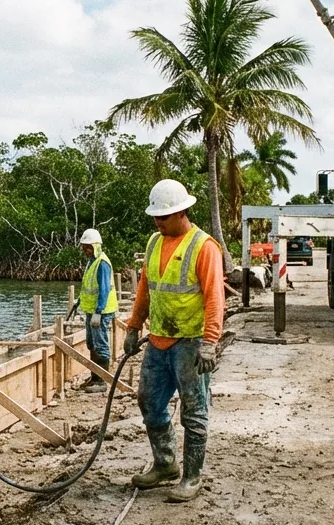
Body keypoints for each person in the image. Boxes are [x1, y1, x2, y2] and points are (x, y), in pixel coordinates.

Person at [122, 179, 225, 503]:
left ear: (182, 212)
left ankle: (191, 477)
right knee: (149, 402)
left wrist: (210, 341)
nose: (158, 222)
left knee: (193, 413)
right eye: (155, 217)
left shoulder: (203, 246)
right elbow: (146, 289)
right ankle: (165, 463)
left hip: (191, 343)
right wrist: (133, 325)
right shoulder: (154, 243)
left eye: (163, 217)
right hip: (159, 341)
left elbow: (214, 298)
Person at [78, 228, 118, 391]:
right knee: (91, 343)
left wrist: (98, 312)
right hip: (91, 310)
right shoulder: (92, 261)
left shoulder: (102, 263)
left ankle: (101, 380)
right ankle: (95, 376)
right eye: (84, 247)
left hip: (100, 311)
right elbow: (89, 285)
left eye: (88, 247)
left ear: (95, 246)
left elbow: (103, 289)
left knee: (100, 343)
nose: (85, 251)